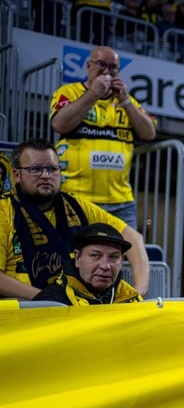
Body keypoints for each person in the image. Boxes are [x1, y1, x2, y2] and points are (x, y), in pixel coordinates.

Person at [0, 138, 148, 300]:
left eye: (52, 169)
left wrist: (139, 290)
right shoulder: (4, 211)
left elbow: (133, 237)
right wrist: (50, 299)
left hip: (75, 310)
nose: (45, 175)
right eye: (35, 169)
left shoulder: (76, 205)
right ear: (17, 175)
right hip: (23, 312)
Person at [50, 46, 158, 229]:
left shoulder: (126, 100)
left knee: (124, 255)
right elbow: (59, 124)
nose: (107, 71)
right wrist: (93, 94)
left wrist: (125, 101)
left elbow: (149, 133)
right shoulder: (68, 92)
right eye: (101, 64)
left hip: (121, 202)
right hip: (75, 197)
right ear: (88, 66)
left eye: (113, 67)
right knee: (73, 255)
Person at [33, 223, 142, 305]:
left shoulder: (132, 299)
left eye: (114, 257)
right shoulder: (49, 302)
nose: (105, 266)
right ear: (77, 258)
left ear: (122, 261)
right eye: (95, 256)